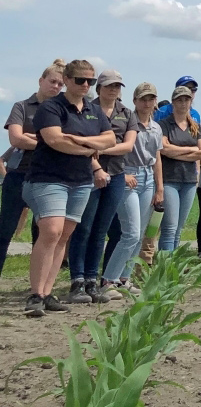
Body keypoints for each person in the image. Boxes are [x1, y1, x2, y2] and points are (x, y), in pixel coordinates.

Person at [23, 59, 116, 317]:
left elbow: (109, 139)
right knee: (50, 231)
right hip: (48, 177)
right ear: (67, 79)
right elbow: (54, 140)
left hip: (81, 180)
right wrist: (89, 146)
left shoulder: (93, 110)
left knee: (63, 235)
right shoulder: (51, 107)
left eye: (91, 81)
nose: (86, 85)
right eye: (80, 80)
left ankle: (48, 292)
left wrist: (75, 138)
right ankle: (35, 295)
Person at [65, 69, 137, 303]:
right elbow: (78, 142)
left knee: (100, 230)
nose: (114, 90)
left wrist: (100, 148)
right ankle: (77, 280)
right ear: (100, 88)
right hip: (87, 174)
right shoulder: (87, 110)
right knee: (83, 228)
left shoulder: (127, 113)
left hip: (116, 174)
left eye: (117, 86)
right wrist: (95, 163)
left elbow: (128, 146)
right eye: (109, 86)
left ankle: (91, 280)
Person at [1, 59, 65, 277]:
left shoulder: (62, 111)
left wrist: (36, 139)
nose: (56, 87)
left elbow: (67, 141)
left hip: (48, 176)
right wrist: (51, 142)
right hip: (19, 173)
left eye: (60, 84)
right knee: (5, 230)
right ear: (41, 80)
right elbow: (16, 139)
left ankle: (37, 288)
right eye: (52, 81)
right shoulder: (22, 106)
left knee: (43, 233)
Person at [99, 82, 162, 292]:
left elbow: (157, 158)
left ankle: (124, 279)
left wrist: (159, 187)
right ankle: (108, 279)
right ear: (134, 101)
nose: (147, 102)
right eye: (143, 98)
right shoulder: (127, 120)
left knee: (141, 232)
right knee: (131, 233)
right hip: (128, 175)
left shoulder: (156, 127)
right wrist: (123, 173)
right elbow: (119, 149)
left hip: (148, 177)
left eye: (151, 98)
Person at [158, 86, 201, 251]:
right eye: (179, 100)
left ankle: (173, 267)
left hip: (189, 180)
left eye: (186, 99)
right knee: (169, 227)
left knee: (178, 228)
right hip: (169, 179)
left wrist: (175, 152)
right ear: (173, 102)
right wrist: (190, 150)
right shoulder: (164, 124)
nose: (183, 103)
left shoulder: (196, 127)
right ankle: (164, 267)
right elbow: (164, 148)